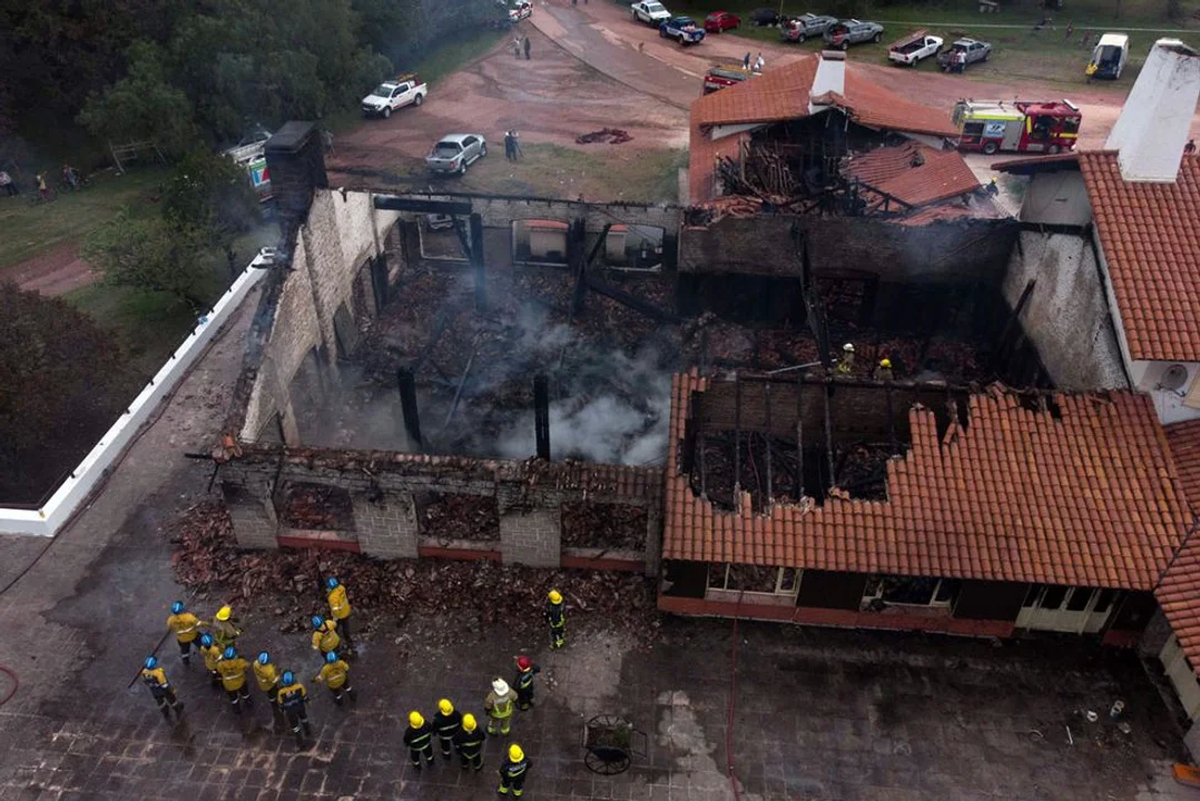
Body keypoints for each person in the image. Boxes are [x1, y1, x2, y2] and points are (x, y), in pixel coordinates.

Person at [276, 671, 311, 739]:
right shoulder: (299, 686)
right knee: (304, 719)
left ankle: (299, 739)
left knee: (295, 726)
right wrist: (308, 702)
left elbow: (281, 704)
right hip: (300, 707)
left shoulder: (281, 692)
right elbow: (305, 697)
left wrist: (282, 711)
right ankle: (307, 731)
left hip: (290, 711)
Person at [217, 647, 252, 711]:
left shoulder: (221, 665)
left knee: (233, 698)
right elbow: (247, 665)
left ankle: (236, 709)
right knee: (245, 693)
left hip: (229, 685)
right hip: (241, 682)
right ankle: (248, 702)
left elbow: (219, 671)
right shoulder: (240, 662)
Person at [166, 601, 201, 665]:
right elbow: (198, 623)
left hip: (182, 639)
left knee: (184, 650)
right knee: (201, 642)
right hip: (193, 635)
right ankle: (205, 652)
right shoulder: (189, 617)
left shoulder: (170, 620)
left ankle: (186, 661)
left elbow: (170, 626)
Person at [325, 577, 354, 651]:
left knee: (335, 631)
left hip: (339, 616)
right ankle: (349, 643)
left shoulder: (333, 597)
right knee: (346, 629)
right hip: (346, 612)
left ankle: (336, 647)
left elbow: (335, 610)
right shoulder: (341, 588)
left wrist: (335, 618)